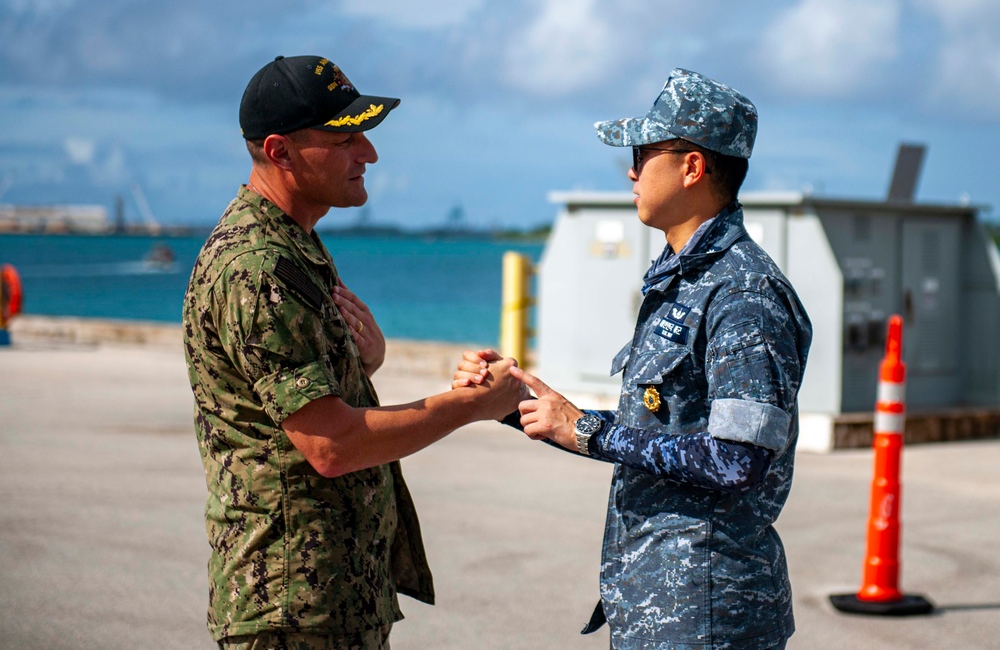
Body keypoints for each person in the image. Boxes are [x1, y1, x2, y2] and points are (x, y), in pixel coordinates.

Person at [455, 68, 812, 648]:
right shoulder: (683, 279)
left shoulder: (743, 292)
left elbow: (737, 460)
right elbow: (660, 429)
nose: (630, 169)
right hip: (659, 601)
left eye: (644, 152)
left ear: (692, 166)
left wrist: (589, 432)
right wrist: (519, 401)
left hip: (709, 612)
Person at [182, 54, 524, 649]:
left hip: (332, 598)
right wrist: (472, 406)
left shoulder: (296, 246)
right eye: (344, 137)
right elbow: (332, 446)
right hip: (291, 607)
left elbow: (289, 401)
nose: (367, 154)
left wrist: (363, 363)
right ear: (280, 151)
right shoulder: (258, 267)